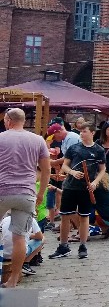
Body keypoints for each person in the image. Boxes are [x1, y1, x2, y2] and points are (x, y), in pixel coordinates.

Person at [0, 108, 50, 287]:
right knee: (20, 237)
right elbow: (46, 170)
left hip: (2, 190)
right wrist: (41, 193)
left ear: (8, 120)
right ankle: (13, 279)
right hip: (26, 192)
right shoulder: (37, 140)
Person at [50, 122, 106, 261]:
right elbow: (65, 165)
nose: (81, 134)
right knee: (65, 216)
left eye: (84, 131)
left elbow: (102, 169)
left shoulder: (98, 150)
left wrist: (95, 182)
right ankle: (63, 246)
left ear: (92, 133)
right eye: (80, 131)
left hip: (86, 188)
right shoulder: (73, 148)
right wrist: (72, 172)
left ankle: (82, 245)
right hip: (70, 186)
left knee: (84, 216)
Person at [1, 213, 44, 280]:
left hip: (3, 253)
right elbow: (40, 237)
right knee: (41, 240)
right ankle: (25, 263)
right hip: (18, 253)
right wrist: (28, 234)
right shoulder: (30, 219)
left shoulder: (5, 219)